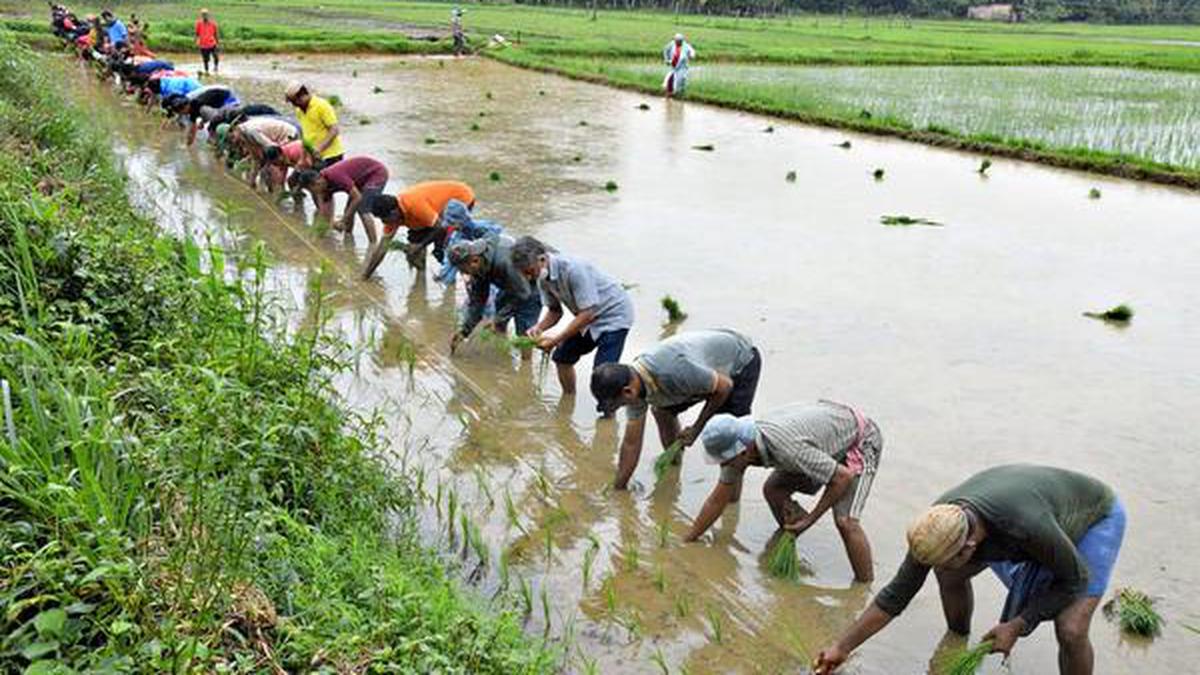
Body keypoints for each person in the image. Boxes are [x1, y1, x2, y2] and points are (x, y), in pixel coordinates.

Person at [814, 465, 1125, 675]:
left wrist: (1018, 624)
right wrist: (841, 647)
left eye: (950, 557)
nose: (935, 566)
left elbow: (1075, 579)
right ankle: (957, 636)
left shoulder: (1025, 526)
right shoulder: (938, 525)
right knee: (949, 574)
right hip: (1029, 511)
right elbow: (896, 595)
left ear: (970, 546)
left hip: (1093, 517)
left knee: (1070, 627)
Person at [687, 401, 882, 582]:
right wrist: (688, 539)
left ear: (743, 451)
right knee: (773, 489)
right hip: (820, 441)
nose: (724, 466)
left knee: (845, 521)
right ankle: (789, 536)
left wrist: (810, 520)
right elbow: (716, 501)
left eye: (726, 460)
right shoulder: (741, 449)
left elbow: (843, 478)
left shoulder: (786, 449)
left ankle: (863, 590)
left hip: (859, 439)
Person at [590, 329, 762, 489]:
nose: (624, 408)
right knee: (661, 410)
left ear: (627, 392)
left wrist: (697, 428)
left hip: (739, 363)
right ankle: (673, 464)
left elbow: (724, 387)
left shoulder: (673, 371)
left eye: (620, 404)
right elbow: (631, 443)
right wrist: (619, 487)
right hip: (701, 372)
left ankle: (730, 505)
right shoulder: (634, 387)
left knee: (729, 442)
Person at [511, 236, 634, 405]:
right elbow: (555, 311)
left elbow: (587, 313)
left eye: (530, 271)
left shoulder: (573, 269)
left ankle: (607, 416)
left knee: (604, 376)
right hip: (589, 319)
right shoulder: (543, 280)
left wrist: (556, 340)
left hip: (614, 316)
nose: (528, 277)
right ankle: (568, 401)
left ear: (542, 259)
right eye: (524, 273)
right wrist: (539, 328)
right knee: (562, 357)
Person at [446, 236, 541, 356]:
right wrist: (464, 332)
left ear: (474, 261)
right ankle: (503, 354)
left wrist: (497, 318)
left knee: (525, 331)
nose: (463, 273)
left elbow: (523, 293)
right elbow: (478, 302)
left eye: (463, 270)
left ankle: (526, 365)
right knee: (499, 315)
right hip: (511, 284)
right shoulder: (478, 267)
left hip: (532, 285)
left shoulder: (504, 262)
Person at [362, 180, 475, 280]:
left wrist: (421, 245)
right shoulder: (392, 219)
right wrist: (366, 275)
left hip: (461, 197)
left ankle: (452, 280)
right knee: (414, 245)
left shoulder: (415, 205)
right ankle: (420, 279)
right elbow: (382, 248)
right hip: (432, 212)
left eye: (384, 218)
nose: (383, 222)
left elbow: (441, 227)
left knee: (442, 248)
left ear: (394, 212)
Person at [292, 156, 389, 243]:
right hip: (359, 180)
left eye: (313, 190)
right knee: (348, 210)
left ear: (318, 182)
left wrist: (343, 220)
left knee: (362, 209)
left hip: (376, 173)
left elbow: (357, 197)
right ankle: (348, 237)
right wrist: (318, 234)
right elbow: (323, 213)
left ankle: (373, 244)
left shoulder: (335, 175)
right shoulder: (322, 189)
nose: (316, 194)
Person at [284, 81, 343, 168]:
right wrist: (303, 158)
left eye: (295, 102)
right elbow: (306, 135)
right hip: (314, 157)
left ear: (302, 95)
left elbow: (334, 130)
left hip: (331, 155)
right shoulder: (299, 111)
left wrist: (320, 148)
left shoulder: (321, 105)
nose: (295, 105)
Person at [234, 116, 300, 191]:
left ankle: (279, 190)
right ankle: (275, 190)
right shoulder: (245, 136)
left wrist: (269, 165)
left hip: (287, 134)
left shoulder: (251, 131)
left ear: (235, 129)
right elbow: (256, 159)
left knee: (277, 166)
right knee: (271, 165)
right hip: (276, 140)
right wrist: (252, 181)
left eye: (233, 138)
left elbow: (271, 146)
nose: (241, 146)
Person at [166, 84, 239, 146]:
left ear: (185, 107)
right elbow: (192, 130)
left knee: (218, 128)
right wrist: (188, 146)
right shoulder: (192, 109)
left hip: (228, 99)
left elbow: (216, 118)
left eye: (181, 112)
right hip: (218, 103)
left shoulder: (200, 107)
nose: (183, 114)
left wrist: (212, 133)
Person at [662, 32, 695, 97]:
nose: (677, 42)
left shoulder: (686, 46)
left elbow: (692, 52)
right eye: (676, 41)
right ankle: (669, 93)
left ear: (682, 41)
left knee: (680, 80)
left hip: (682, 67)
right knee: (669, 79)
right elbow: (665, 50)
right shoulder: (672, 44)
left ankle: (678, 93)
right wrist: (667, 60)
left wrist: (691, 56)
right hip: (673, 66)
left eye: (679, 41)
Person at [195, 9, 220, 75]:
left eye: (205, 14)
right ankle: (207, 71)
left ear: (208, 15)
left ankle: (216, 67)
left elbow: (216, 34)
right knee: (205, 60)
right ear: (201, 16)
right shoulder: (199, 24)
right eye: (203, 14)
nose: (204, 16)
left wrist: (217, 43)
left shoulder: (213, 24)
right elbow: (197, 34)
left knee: (216, 56)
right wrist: (197, 41)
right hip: (203, 44)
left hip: (212, 43)